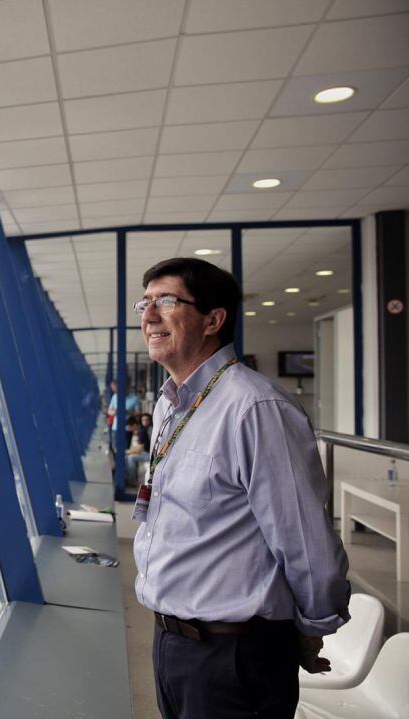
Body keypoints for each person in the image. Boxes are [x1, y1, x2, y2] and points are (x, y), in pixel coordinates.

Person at [132, 257, 349, 719]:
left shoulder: (256, 409)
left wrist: (311, 627)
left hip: (233, 657)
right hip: (172, 644)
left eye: (166, 302)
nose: (149, 316)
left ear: (213, 319)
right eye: (144, 303)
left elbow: (306, 542)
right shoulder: (172, 407)